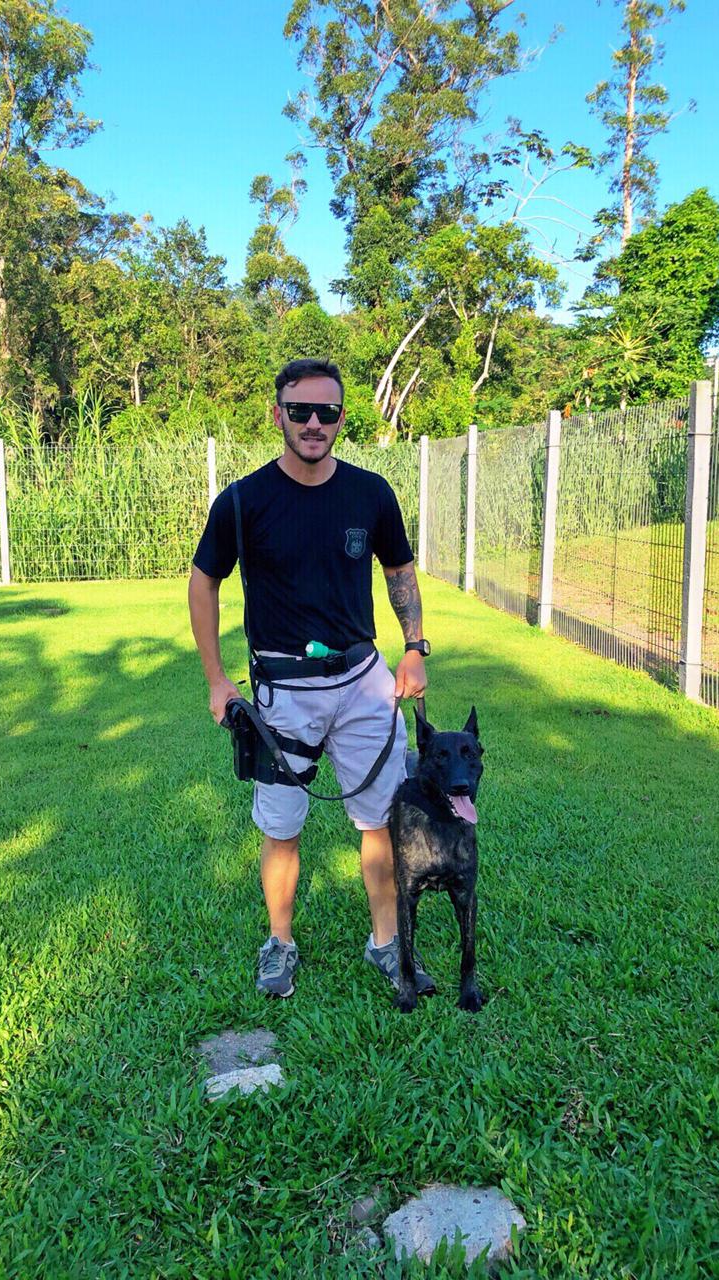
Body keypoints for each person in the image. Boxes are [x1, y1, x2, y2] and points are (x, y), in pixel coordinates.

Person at [188, 358, 434, 999]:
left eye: (327, 411)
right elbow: (203, 581)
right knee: (281, 826)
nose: (314, 423)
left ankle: (386, 943)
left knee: (381, 820)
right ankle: (281, 943)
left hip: (361, 683)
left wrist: (413, 648)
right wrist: (218, 680)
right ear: (279, 416)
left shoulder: (371, 494)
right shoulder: (243, 501)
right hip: (281, 694)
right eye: (300, 411)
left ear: (342, 419)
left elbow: (400, 571)